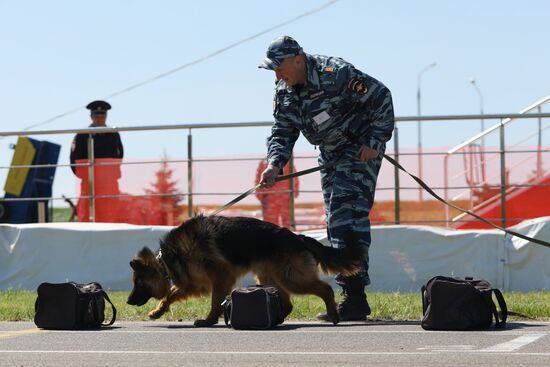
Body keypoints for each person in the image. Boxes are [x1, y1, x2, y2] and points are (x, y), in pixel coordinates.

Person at [258, 36, 394, 321]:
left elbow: (381, 97)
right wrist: (274, 165)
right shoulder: (284, 90)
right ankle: (355, 297)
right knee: (337, 219)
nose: (277, 74)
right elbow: (282, 132)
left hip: (359, 151)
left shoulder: (336, 74)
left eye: (279, 67)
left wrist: (375, 139)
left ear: (298, 59)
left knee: (344, 216)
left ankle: (354, 296)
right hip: (330, 154)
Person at [70, 100, 124, 222]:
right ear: (91, 116)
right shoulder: (82, 135)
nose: (100, 118)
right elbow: (74, 159)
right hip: (90, 182)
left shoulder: (113, 134)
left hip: (109, 183)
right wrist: (86, 176)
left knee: (111, 215)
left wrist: (111, 173)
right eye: (96, 115)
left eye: (102, 115)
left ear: (106, 116)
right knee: (88, 215)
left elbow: (119, 156)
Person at [255, 159, 299, 229]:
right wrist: (259, 194)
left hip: (285, 198)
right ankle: (272, 238)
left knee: (287, 222)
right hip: (270, 199)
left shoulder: (287, 162)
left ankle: (287, 238)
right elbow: (259, 179)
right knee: (270, 224)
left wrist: (295, 191)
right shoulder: (264, 163)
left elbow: (294, 177)